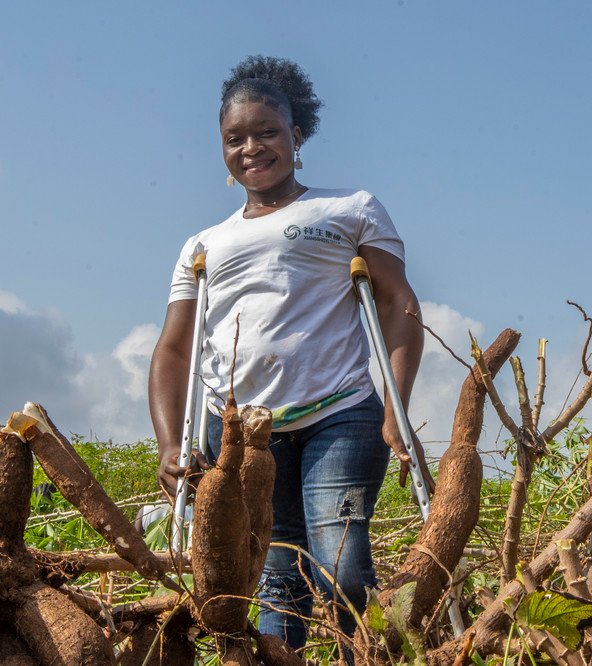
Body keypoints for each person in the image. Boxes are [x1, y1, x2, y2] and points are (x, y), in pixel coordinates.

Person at [148, 55, 431, 650]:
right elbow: (175, 350)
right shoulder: (203, 244)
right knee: (276, 578)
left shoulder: (349, 208)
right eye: (235, 138)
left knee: (341, 566)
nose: (251, 147)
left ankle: (370, 656)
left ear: (297, 135)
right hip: (244, 431)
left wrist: (395, 410)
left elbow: (397, 305)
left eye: (267, 132)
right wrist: (171, 442)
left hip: (341, 412)